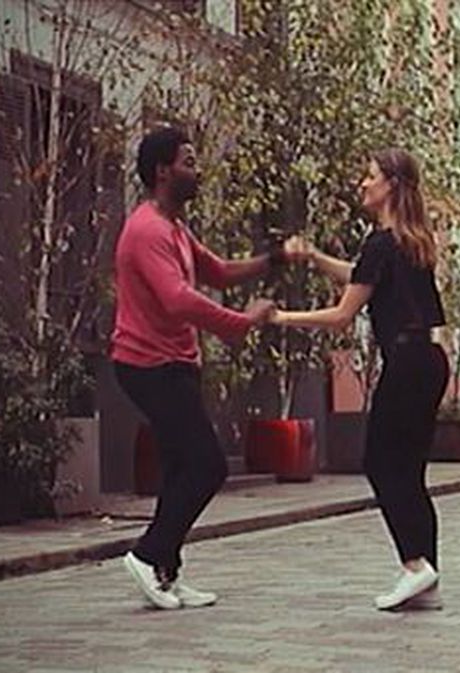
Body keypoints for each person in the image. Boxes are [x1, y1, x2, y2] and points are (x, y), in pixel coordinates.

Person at [111, 126, 292, 610]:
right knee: (206, 465)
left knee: (177, 470)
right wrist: (241, 322)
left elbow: (218, 271)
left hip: (175, 363)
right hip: (148, 364)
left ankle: (166, 572)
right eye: (189, 162)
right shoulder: (147, 229)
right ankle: (148, 554)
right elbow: (177, 299)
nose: (197, 171)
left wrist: (271, 260)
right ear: (163, 171)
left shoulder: (174, 227)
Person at [272, 149, 449, 611]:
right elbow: (361, 277)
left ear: (390, 184)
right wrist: (314, 257)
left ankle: (415, 566)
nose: (361, 184)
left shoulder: (381, 243)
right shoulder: (411, 241)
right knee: (410, 471)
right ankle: (425, 577)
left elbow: (342, 315)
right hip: (428, 360)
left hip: (406, 366)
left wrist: (281, 317)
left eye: (369, 176)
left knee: (380, 463)